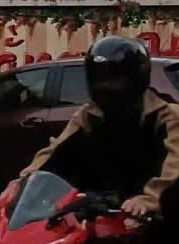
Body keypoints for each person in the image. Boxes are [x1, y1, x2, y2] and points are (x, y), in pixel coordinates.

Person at [20, 35, 179, 227]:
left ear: (137, 77)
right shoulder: (89, 115)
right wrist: (22, 186)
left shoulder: (167, 115)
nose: (107, 86)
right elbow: (54, 151)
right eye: (101, 79)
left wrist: (150, 199)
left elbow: (174, 166)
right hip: (108, 211)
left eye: (115, 79)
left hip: (158, 217)